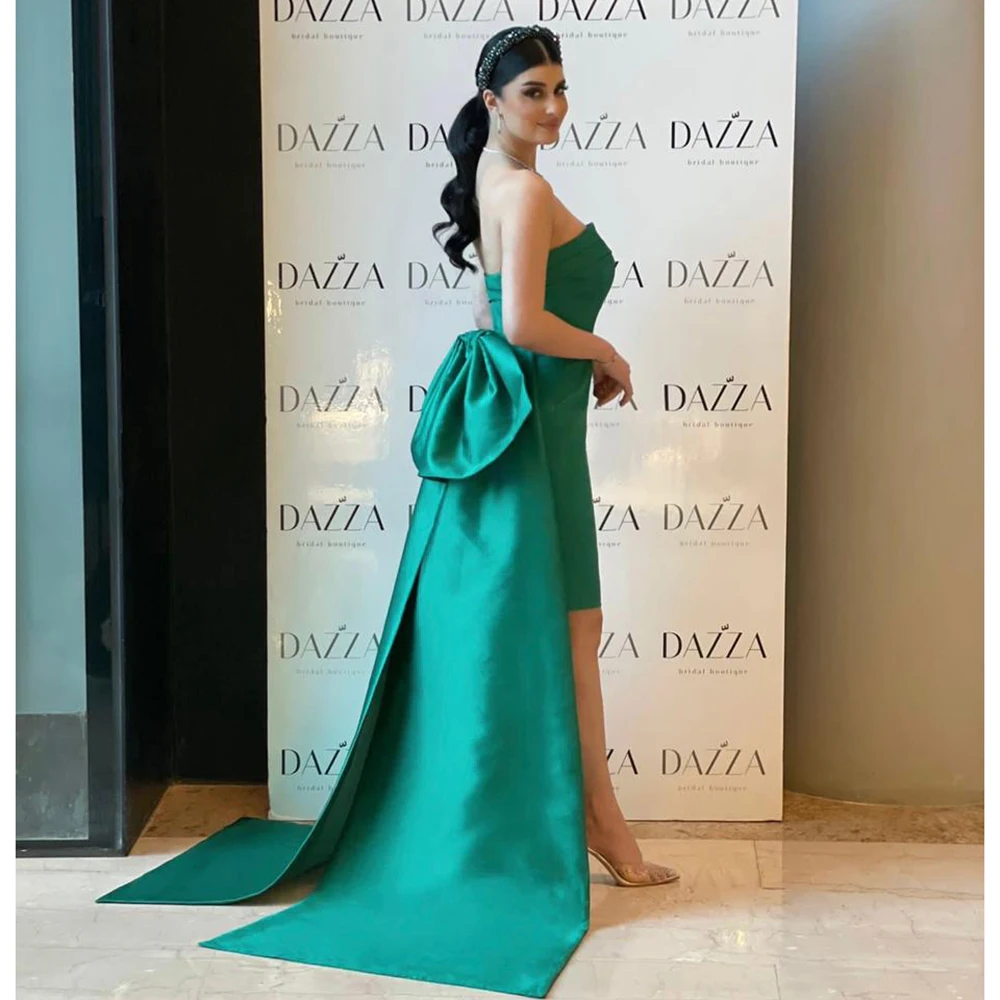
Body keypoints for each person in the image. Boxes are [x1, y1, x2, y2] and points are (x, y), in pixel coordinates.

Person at [95, 24, 678, 1000]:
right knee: (575, 632)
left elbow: (494, 313)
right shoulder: (523, 189)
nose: (554, 108)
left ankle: (597, 820)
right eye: (533, 92)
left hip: (537, 427)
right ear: (492, 101)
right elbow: (522, 321)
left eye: (559, 88)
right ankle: (603, 826)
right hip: (535, 437)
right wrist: (607, 351)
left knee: (574, 630)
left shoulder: (501, 175)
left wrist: (564, 356)